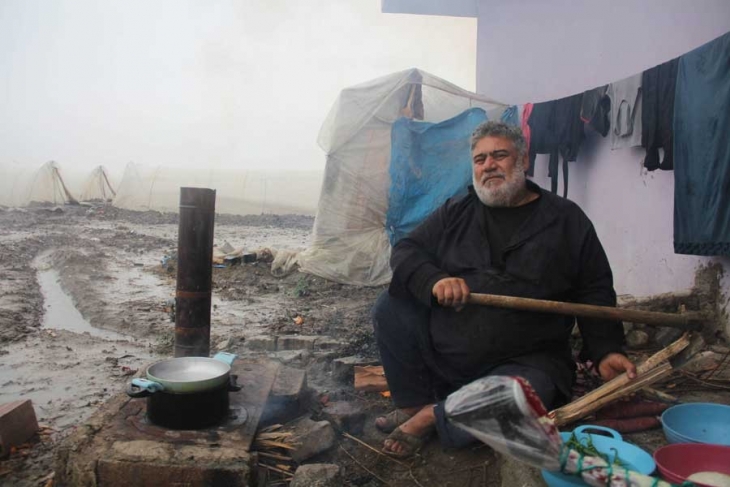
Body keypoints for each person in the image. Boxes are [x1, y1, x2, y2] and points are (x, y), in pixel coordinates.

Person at [372, 121, 636, 458]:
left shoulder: (566, 219)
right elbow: (407, 250)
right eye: (480, 160)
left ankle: (431, 416)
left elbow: (594, 289)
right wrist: (435, 279)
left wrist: (606, 350)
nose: (489, 166)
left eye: (500, 155)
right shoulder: (457, 211)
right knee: (391, 307)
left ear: (523, 161)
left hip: (528, 362)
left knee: (519, 398)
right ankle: (418, 404)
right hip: (448, 359)